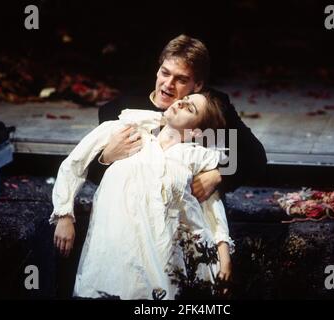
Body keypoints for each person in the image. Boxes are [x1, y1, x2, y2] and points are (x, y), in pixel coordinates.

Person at [52, 92, 234, 299]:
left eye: (190, 108)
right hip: (115, 253)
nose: (181, 102)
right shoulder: (126, 131)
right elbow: (74, 164)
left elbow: (212, 210)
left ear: (195, 132)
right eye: (185, 99)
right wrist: (64, 215)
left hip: (165, 260)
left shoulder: (194, 157)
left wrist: (224, 257)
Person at [88, 34, 267, 201]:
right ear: (158, 70)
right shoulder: (117, 109)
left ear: (197, 85)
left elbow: (255, 156)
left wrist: (219, 175)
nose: (168, 84)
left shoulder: (211, 107)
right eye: (165, 73)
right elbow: (91, 173)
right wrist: (107, 157)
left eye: (181, 79)